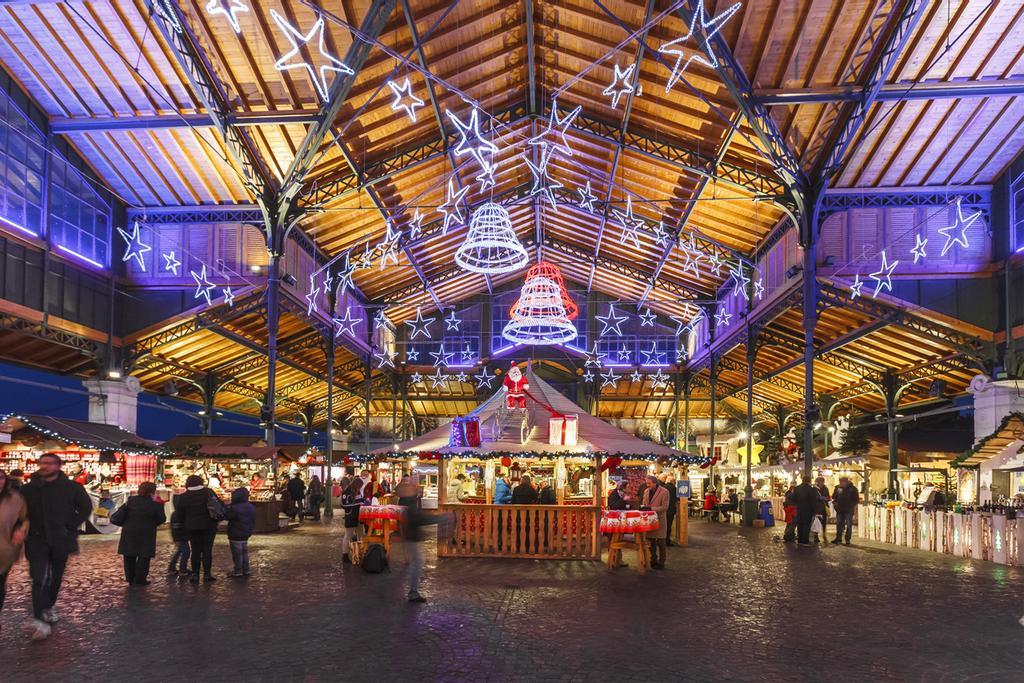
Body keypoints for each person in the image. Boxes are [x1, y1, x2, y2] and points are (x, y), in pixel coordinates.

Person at [20, 453, 92, 641]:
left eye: (50, 463)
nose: (45, 466)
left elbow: (85, 508)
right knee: (39, 577)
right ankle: (39, 617)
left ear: (58, 466)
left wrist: (70, 525)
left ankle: (48, 606)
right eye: (42, 463)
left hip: (61, 539)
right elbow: (20, 511)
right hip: (36, 540)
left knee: (56, 576)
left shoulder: (72, 488)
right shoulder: (28, 489)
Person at [114, 481, 166, 586]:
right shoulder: (156, 503)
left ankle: (130, 577)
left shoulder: (130, 500)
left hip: (129, 530)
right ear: (152, 491)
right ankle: (140, 579)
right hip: (147, 532)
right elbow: (161, 519)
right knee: (144, 556)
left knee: (129, 555)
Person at [176, 474, 220, 583]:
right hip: (209, 526)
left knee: (195, 551)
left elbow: (180, 515)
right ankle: (207, 574)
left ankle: (195, 574)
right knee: (207, 550)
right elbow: (218, 506)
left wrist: (182, 528)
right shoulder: (208, 492)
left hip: (192, 527)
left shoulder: (183, 497)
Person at [0, 469, 29, 627]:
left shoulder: (15, 499)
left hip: (4, 548)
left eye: (1, 478)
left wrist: (21, 529)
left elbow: (24, 518)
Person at [225, 487, 255, 577]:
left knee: (237, 553)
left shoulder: (235, 508)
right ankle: (246, 569)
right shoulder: (250, 506)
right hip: (246, 532)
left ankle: (238, 570)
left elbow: (228, 516)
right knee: (244, 552)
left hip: (236, 532)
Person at [641, 475, 670, 570]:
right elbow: (645, 504)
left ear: (655, 482)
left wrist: (651, 508)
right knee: (651, 542)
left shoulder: (664, 492)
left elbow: (665, 507)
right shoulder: (646, 491)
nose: (647, 485)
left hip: (660, 520)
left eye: (649, 483)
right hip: (649, 520)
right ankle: (653, 560)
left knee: (661, 542)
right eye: (646, 483)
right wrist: (643, 507)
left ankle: (662, 562)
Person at [340, 479, 365, 564]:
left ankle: (359, 553)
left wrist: (363, 501)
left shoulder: (357, 491)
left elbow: (359, 500)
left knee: (360, 535)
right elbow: (344, 505)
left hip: (359, 515)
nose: (360, 488)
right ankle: (345, 555)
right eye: (359, 487)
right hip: (350, 516)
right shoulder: (347, 492)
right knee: (348, 535)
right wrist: (358, 503)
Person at [167, 492, 190, 576]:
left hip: (180, 536)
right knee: (186, 552)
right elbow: (176, 527)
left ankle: (172, 568)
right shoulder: (179, 514)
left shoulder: (175, 514)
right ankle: (182, 570)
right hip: (181, 536)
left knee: (179, 551)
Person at [832, 477, 859, 545]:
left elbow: (856, 499)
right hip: (839, 509)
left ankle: (847, 539)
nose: (840, 483)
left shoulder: (852, 489)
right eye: (840, 481)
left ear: (846, 482)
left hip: (848, 510)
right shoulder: (838, 488)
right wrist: (835, 504)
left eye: (841, 482)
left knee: (849, 525)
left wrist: (851, 506)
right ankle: (838, 538)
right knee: (839, 524)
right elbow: (834, 497)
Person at [794, 475, 819, 546]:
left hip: (799, 509)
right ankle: (805, 541)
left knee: (800, 524)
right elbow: (814, 501)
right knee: (806, 525)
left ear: (802, 480)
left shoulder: (797, 488)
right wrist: (815, 510)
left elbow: (794, 498)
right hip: (808, 509)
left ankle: (800, 539)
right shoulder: (812, 489)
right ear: (809, 481)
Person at [660, 474, 678, 545]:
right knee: (669, 525)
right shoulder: (674, 488)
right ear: (672, 481)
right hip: (671, 509)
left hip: (663, 509)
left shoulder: (662, 488)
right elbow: (678, 498)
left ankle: (661, 540)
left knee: (663, 525)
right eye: (674, 481)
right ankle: (667, 541)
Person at [814, 476, 831, 543]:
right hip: (817, 508)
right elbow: (814, 497)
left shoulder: (826, 488)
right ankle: (816, 536)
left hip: (824, 508)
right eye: (819, 481)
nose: (821, 482)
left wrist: (824, 498)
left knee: (824, 523)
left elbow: (828, 497)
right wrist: (820, 498)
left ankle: (824, 534)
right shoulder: (815, 489)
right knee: (816, 523)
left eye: (822, 481)